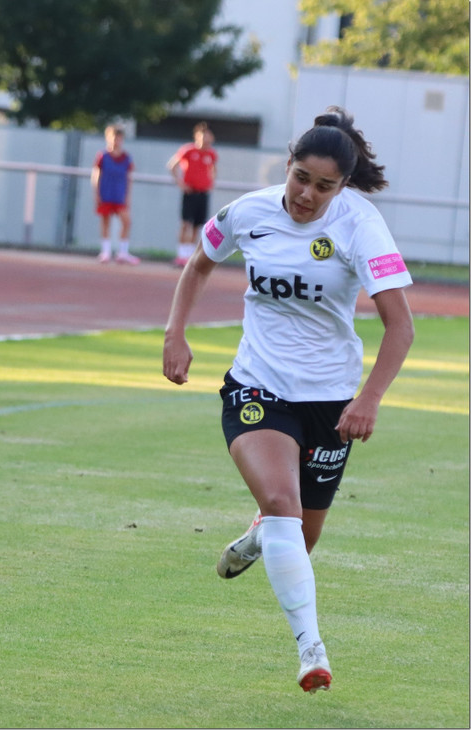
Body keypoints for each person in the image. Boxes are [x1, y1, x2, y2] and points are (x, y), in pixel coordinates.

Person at [162, 106, 414, 693]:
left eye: (324, 186)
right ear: (288, 166)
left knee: (298, 537)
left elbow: (400, 326)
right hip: (257, 384)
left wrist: (369, 398)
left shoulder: (361, 224)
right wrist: (175, 333)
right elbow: (199, 265)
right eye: (301, 178)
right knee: (282, 503)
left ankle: (259, 536)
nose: (307, 195)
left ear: (343, 186)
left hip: (330, 400)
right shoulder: (248, 212)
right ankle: (311, 650)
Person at [167, 122, 218, 266]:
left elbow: (213, 169)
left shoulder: (211, 154)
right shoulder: (188, 150)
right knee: (185, 223)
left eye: (208, 136)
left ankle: (189, 255)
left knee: (197, 225)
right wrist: (181, 183)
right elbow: (172, 166)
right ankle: (181, 254)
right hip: (190, 192)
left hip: (203, 193)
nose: (206, 139)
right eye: (203, 136)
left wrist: (210, 182)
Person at [91, 124, 140, 264]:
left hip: (119, 195)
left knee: (126, 222)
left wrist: (127, 196)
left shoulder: (126, 158)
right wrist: (96, 193)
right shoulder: (103, 156)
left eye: (119, 138)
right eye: (114, 138)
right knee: (105, 222)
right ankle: (105, 252)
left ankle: (122, 252)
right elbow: (96, 175)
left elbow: (128, 178)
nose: (116, 141)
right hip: (106, 193)